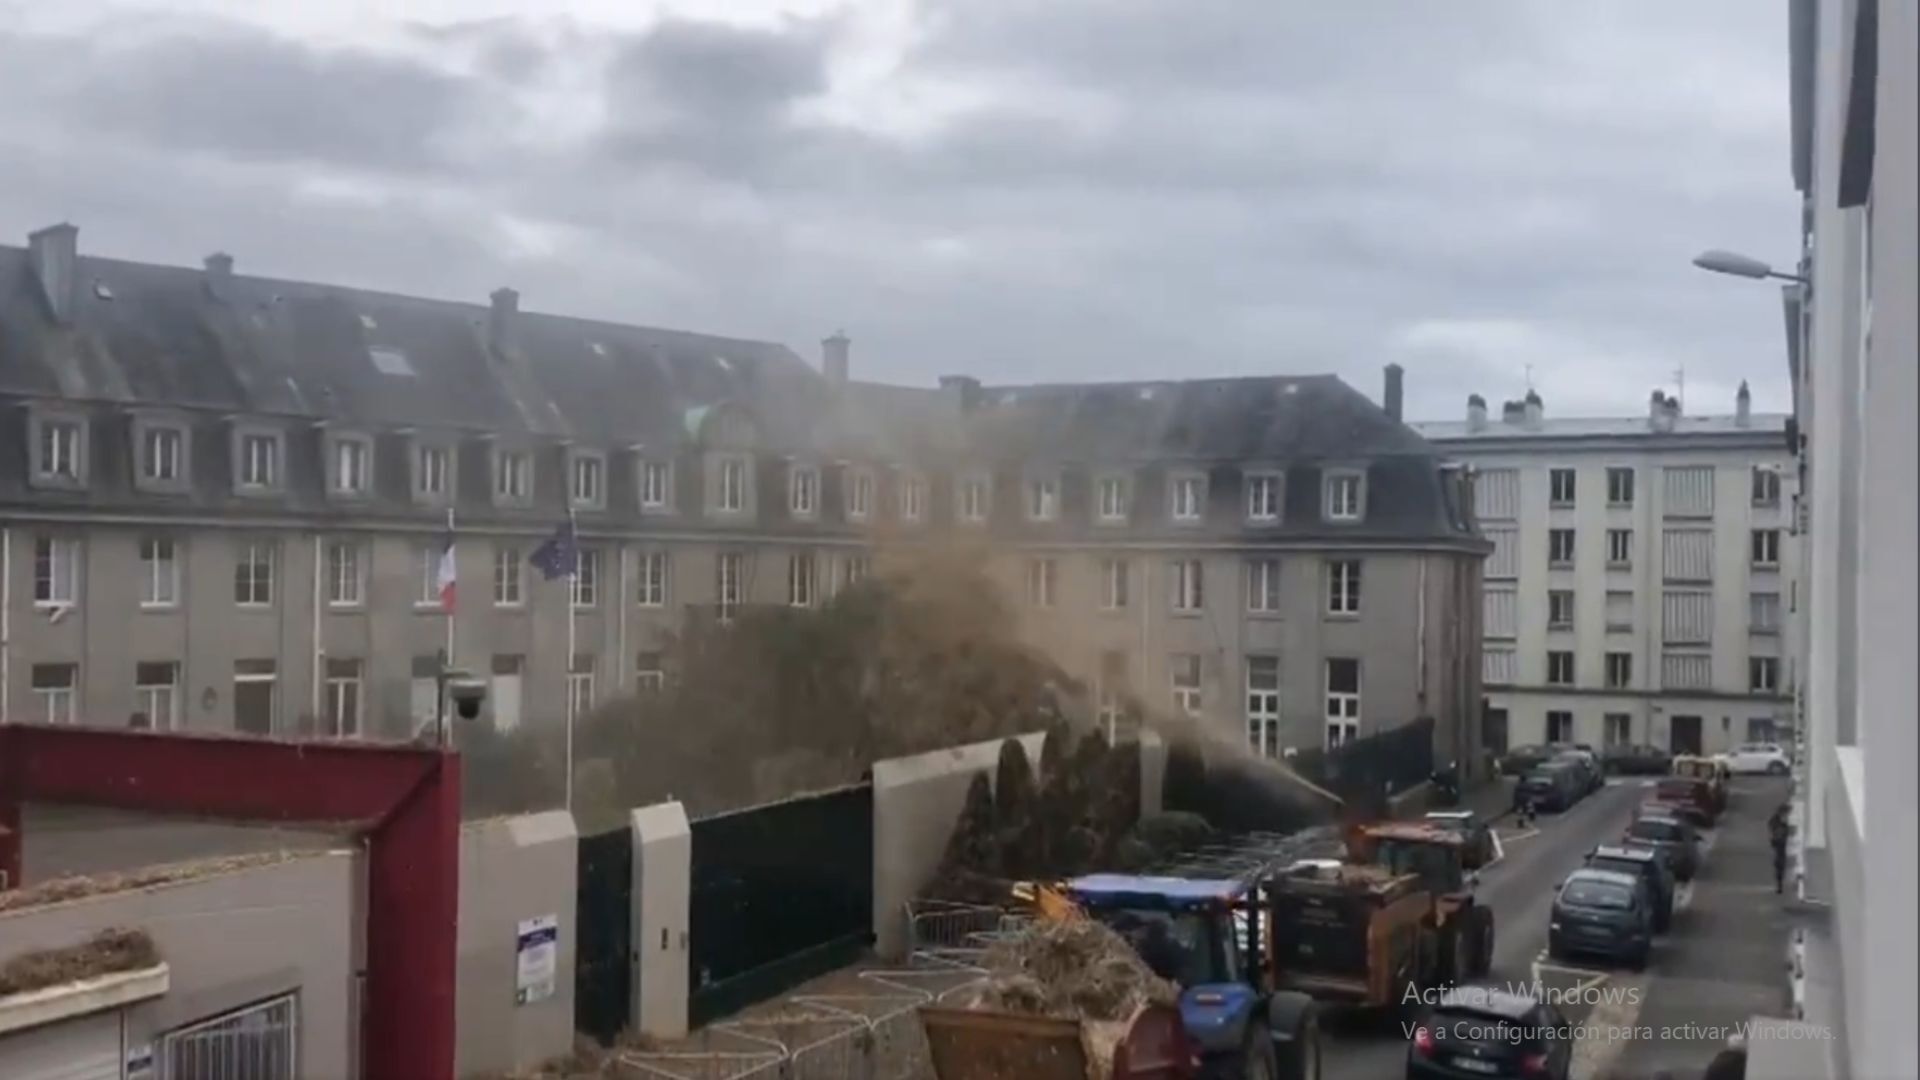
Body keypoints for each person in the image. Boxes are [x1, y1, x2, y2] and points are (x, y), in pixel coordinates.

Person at [1769, 802, 1792, 894]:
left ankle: (1779, 883)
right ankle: (1779, 884)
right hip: (1779, 843)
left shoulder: (1776, 820)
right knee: (1780, 863)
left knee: (1780, 863)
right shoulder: (1777, 821)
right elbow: (1776, 831)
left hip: (1780, 843)